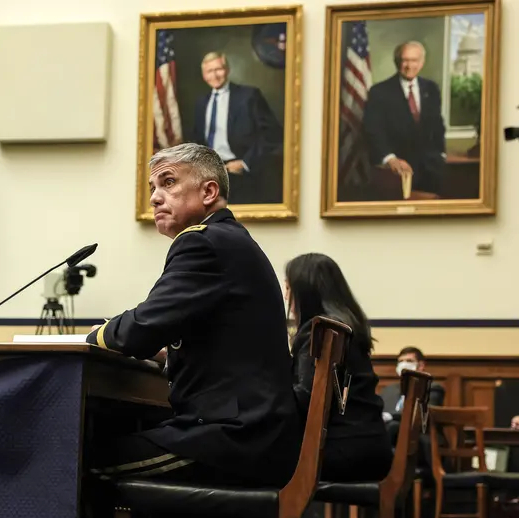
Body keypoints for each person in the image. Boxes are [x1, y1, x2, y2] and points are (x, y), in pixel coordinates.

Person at [87, 143, 300, 487]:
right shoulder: (230, 240)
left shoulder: (202, 243)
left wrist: (94, 335)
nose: (155, 197)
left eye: (168, 183)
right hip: (257, 433)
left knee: (80, 462)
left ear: (209, 191)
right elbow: (221, 346)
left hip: (232, 438)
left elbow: (140, 328)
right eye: (153, 188)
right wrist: (168, 353)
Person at [285, 253, 392, 485]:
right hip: (374, 447)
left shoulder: (320, 332)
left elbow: (305, 399)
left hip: (341, 450)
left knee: (250, 459)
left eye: (289, 288)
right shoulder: (349, 328)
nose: (286, 297)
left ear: (304, 292)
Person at [191, 52, 283, 205]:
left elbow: (273, 134)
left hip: (242, 175)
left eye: (218, 69)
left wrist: (246, 163)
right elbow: (197, 139)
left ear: (227, 70)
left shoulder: (249, 96)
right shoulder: (201, 103)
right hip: (210, 176)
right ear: (204, 75)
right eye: (209, 71)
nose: (214, 75)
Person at [362, 41, 447, 196]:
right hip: (395, 172)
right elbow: (373, 130)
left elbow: (437, 125)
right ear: (397, 62)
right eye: (405, 60)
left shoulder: (431, 89)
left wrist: (441, 154)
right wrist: (390, 159)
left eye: (414, 60)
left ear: (422, 63)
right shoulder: (379, 92)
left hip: (431, 169)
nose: (409, 65)